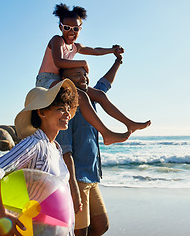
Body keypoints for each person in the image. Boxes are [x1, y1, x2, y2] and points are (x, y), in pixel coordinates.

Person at [36, 3, 150, 145]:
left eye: (76, 28)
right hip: (47, 80)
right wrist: (82, 62)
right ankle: (106, 133)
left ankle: (129, 124)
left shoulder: (75, 47)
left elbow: (95, 50)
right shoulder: (57, 40)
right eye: (67, 28)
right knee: (81, 96)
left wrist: (112, 50)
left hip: (60, 80)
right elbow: (58, 62)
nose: (71, 31)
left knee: (100, 95)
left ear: (80, 29)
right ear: (60, 27)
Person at [0, 79, 79, 236]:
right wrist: (0, 216)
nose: (67, 113)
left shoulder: (55, 147)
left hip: (57, 228)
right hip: (37, 229)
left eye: (68, 108)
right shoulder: (35, 144)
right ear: (41, 112)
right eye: (61, 109)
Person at [56, 52, 137, 235]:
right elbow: (65, 151)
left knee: (101, 225)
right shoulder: (67, 110)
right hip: (77, 179)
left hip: (92, 175)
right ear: (65, 80)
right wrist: (73, 188)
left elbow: (103, 85)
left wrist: (118, 62)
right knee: (79, 231)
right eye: (76, 75)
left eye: (84, 74)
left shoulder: (91, 99)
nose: (83, 78)